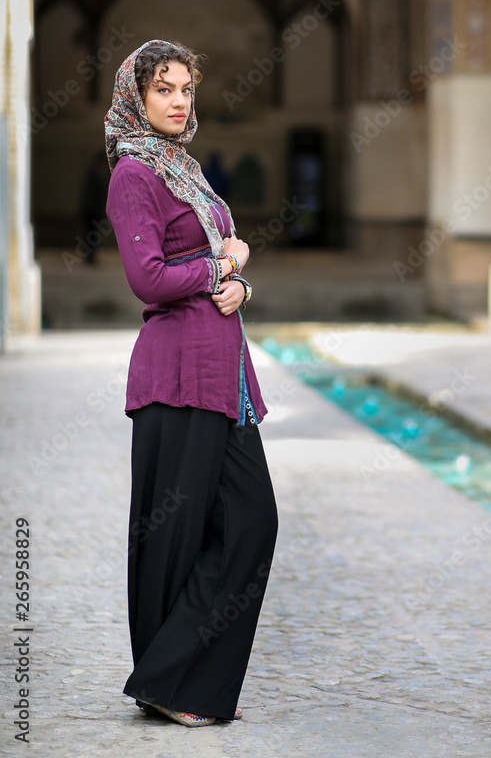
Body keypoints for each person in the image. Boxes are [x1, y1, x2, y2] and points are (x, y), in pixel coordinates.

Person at [104, 39, 278, 728]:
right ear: (136, 99)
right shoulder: (134, 175)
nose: (179, 103)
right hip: (175, 374)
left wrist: (238, 279)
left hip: (224, 373)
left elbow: (215, 263)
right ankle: (170, 687)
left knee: (252, 520)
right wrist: (217, 269)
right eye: (164, 91)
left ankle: (174, 677)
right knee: (173, 536)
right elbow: (148, 278)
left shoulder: (183, 168)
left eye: (185, 90)